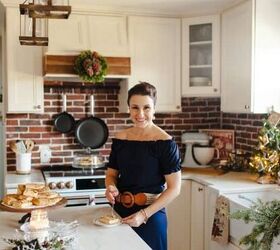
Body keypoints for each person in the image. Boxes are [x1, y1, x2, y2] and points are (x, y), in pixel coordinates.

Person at [105, 82, 181, 250]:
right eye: (135, 108)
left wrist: (144, 215)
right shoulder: (121, 138)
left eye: (146, 108)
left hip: (151, 217)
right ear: (129, 109)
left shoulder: (165, 143)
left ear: (154, 109)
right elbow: (111, 175)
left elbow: (174, 188)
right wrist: (110, 187)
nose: (140, 114)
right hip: (118, 214)